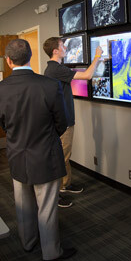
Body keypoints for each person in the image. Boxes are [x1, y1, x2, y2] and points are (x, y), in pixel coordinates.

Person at [0, 39, 75, 261]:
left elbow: (3, 125)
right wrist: (46, 138)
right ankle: (51, 251)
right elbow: (62, 122)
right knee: (46, 207)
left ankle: (28, 243)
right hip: (46, 155)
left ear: (9, 61)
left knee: (23, 205)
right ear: (30, 57)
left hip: (17, 155)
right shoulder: (49, 85)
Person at [42, 37, 103, 208]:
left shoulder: (54, 68)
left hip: (65, 118)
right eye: (62, 46)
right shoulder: (55, 69)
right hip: (63, 121)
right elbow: (87, 75)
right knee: (61, 156)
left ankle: (66, 184)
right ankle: (57, 192)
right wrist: (97, 56)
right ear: (55, 50)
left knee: (65, 155)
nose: (65, 48)